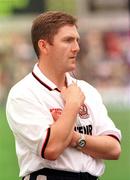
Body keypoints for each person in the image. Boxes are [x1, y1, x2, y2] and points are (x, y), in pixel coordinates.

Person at [6, 11, 121, 180]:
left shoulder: (86, 90)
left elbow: (113, 148)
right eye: (68, 40)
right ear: (44, 46)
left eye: (77, 40)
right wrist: (72, 105)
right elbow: (51, 149)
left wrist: (74, 138)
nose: (76, 47)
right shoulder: (23, 93)